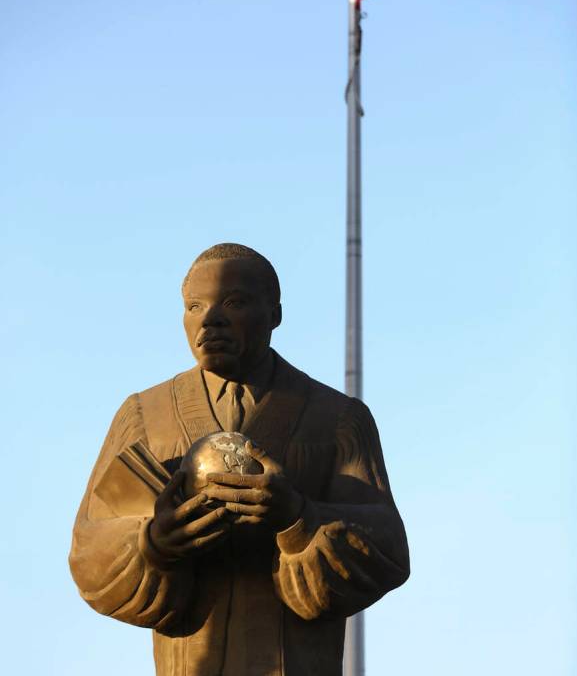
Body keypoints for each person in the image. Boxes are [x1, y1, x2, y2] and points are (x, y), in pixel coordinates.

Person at [69, 243, 409, 676]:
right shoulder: (143, 417)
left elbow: (386, 549)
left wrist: (297, 519)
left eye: (234, 302)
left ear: (275, 314)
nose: (209, 319)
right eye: (194, 306)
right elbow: (89, 549)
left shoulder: (336, 419)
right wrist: (154, 543)